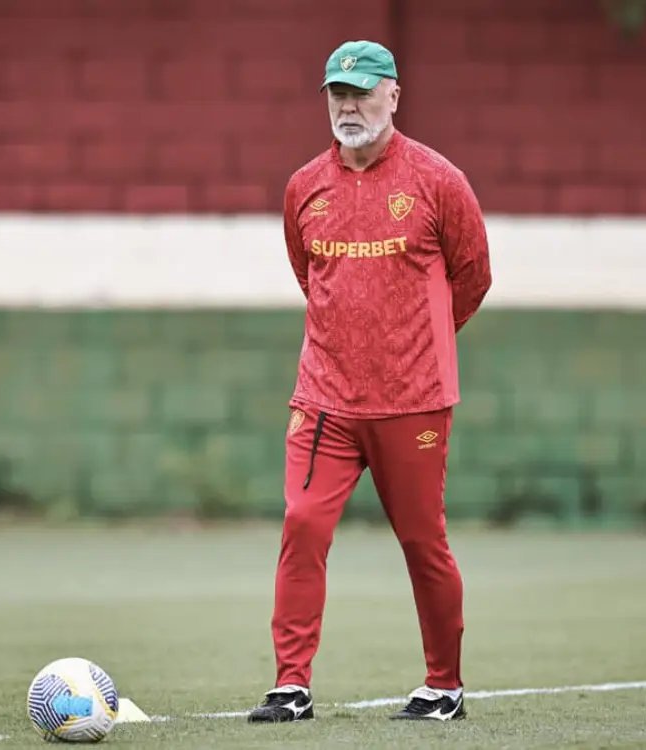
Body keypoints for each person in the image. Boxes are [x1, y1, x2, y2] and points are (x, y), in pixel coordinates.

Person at [246, 40, 493, 725]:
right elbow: (309, 277)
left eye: (360, 93)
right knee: (301, 523)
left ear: (394, 95)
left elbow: (472, 277)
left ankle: (444, 686)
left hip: (413, 402)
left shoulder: (438, 180)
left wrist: (415, 343)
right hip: (324, 398)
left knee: (422, 540)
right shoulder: (304, 187)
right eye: (336, 94)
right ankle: (290, 686)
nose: (348, 106)